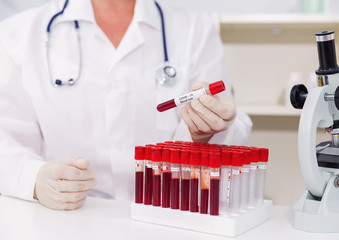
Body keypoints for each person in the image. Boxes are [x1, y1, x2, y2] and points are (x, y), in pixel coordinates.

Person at [0, 0, 252, 210]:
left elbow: (227, 120)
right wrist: (34, 178)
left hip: (167, 215)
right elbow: (6, 141)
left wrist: (208, 129)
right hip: (65, 219)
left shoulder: (194, 30)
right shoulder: (17, 35)